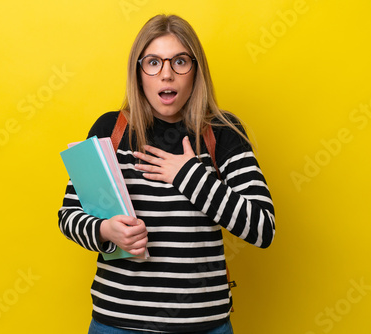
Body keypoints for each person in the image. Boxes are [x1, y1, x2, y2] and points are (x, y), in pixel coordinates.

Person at [58, 14, 275, 334]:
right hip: (117, 324)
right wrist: (106, 230)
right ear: (139, 71)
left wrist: (189, 175)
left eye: (180, 61)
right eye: (154, 62)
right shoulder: (110, 131)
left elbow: (262, 228)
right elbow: (69, 216)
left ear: (196, 70)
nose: (167, 74)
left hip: (203, 325)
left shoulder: (222, 132)